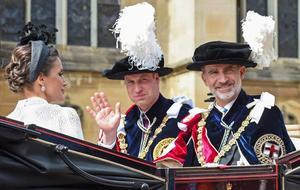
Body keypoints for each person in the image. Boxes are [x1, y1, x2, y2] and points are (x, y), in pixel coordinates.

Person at [155, 11, 296, 167]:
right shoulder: (197, 125)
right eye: (214, 72)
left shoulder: (265, 114)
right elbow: (172, 173)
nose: (222, 79)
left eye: (229, 70)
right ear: (205, 79)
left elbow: (272, 173)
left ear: (241, 73)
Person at [86, 2, 192, 162]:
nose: (137, 89)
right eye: (130, 82)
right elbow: (106, 172)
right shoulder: (121, 125)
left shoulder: (184, 117)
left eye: (143, 80)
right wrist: (108, 135)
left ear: (156, 78)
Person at [5, 22, 84, 140]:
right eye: (60, 74)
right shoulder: (65, 116)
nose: (65, 82)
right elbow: (79, 158)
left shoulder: (6, 124)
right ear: (41, 78)